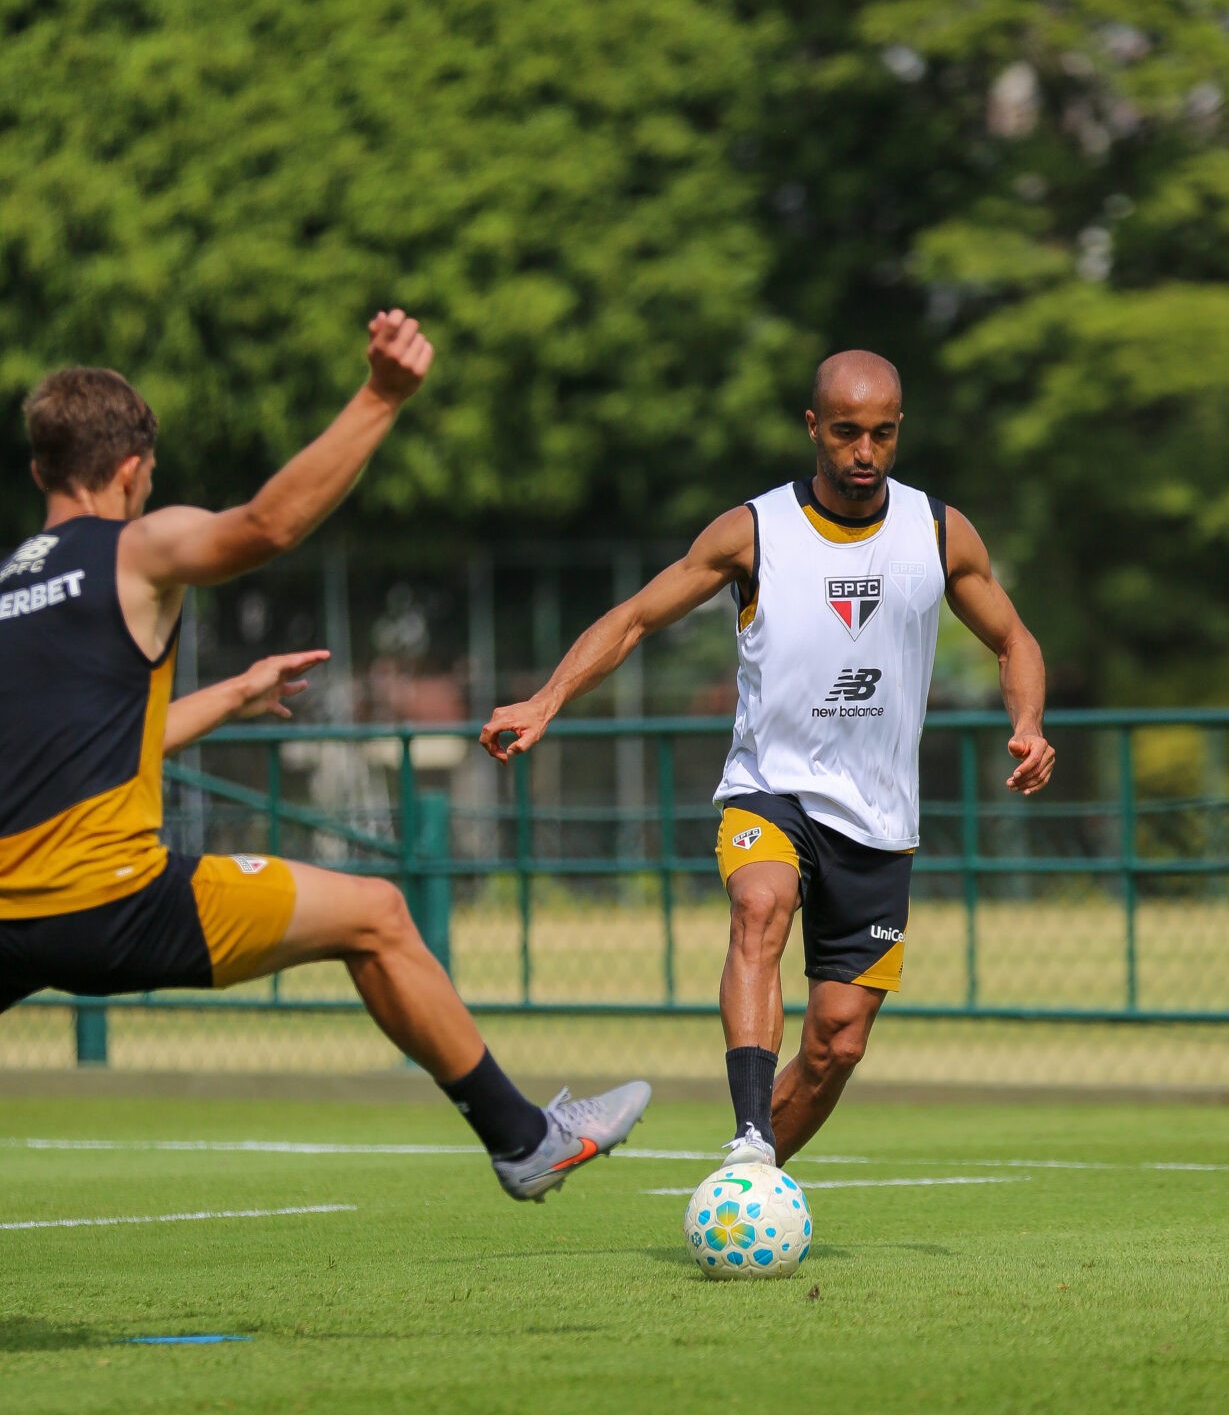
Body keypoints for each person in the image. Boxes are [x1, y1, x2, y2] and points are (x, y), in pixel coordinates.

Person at [0, 310, 650, 1201]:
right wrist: (381, 397)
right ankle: (523, 1137)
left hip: (10, 919)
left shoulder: (10, 592)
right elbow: (266, 526)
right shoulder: (134, 548)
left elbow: (77, 751)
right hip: (112, 904)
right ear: (130, 470)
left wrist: (231, 695)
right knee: (377, 915)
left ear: (40, 470)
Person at [481, 349, 1053, 1167]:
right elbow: (637, 618)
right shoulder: (753, 531)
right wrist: (545, 700)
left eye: (882, 435)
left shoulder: (936, 531)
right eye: (847, 433)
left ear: (899, 432)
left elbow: (1012, 639)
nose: (864, 453)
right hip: (770, 790)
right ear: (812, 427)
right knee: (759, 906)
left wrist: (1027, 723)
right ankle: (749, 1126)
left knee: (836, 1048)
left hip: (879, 818)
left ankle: (746, 1177)